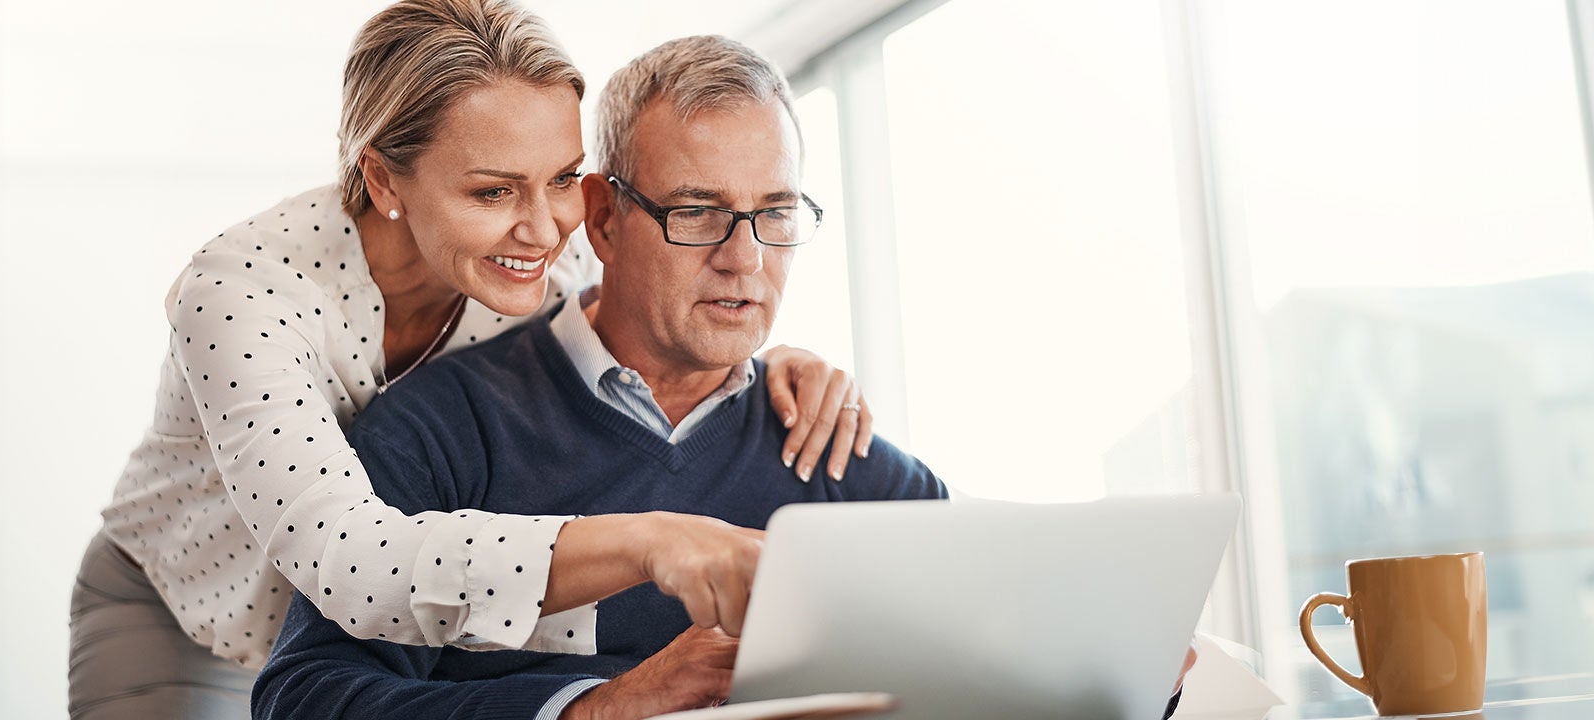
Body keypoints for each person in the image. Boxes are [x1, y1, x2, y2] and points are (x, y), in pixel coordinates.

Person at [68, 2, 884, 718]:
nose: (543, 227)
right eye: (494, 192)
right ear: (383, 176)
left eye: (561, 178)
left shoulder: (550, 258)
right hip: (198, 607)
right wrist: (649, 541)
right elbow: (359, 570)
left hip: (407, 625)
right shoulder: (240, 294)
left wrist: (777, 358)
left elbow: (674, 293)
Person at [252, 35, 950, 720]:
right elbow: (303, 701)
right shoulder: (434, 432)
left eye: (775, 213)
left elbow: (985, 628)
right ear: (604, 220)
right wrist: (598, 708)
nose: (746, 258)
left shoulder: (826, 444)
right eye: (697, 212)